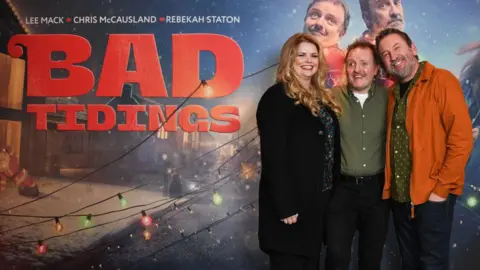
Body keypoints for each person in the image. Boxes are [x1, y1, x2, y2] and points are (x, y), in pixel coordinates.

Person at [376, 28, 474, 270]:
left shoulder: (442, 80)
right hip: (400, 197)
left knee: (432, 263)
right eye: (386, 53)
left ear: (413, 49)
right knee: (409, 262)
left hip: (432, 195)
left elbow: (461, 139)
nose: (393, 56)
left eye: (397, 47)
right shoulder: (391, 94)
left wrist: (440, 191)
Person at [257, 32, 342, 270]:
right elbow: (273, 157)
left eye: (314, 55)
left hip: (316, 205)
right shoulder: (276, 97)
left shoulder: (321, 98)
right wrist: (285, 206)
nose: (309, 60)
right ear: (289, 59)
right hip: (291, 210)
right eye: (301, 55)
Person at [325, 40, 389, 270]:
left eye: (364, 63)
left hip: (377, 193)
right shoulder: (330, 98)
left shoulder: (389, 98)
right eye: (351, 63)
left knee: (371, 260)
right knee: (337, 257)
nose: (357, 69)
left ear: (375, 69)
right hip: (342, 192)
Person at [303, 0, 351, 88]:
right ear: (305, 19)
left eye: (331, 20)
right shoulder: (283, 64)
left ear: (341, 33)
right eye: (315, 15)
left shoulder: (350, 67)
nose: (319, 23)